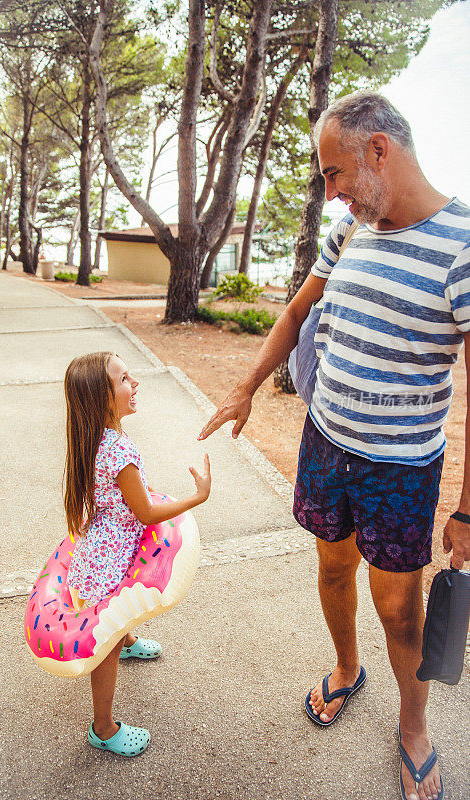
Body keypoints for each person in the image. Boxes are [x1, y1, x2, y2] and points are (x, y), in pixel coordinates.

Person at [198, 91, 470, 800]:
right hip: (325, 445)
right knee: (328, 571)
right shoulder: (349, 230)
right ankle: (347, 670)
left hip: (399, 468)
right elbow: (297, 310)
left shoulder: (464, 246)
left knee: (399, 608)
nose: (331, 191)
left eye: (333, 172)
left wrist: (467, 510)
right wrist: (246, 385)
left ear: (378, 149)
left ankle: (413, 728)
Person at [64, 350, 211, 756]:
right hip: (110, 559)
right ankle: (104, 727)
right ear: (101, 397)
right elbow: (144, 511)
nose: (135, 383)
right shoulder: (117, 450)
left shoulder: (93, 437)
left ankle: (126, 639)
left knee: (119, 614)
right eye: (124, 378)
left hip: (104, 547)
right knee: (105, 637)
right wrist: (195, 498)